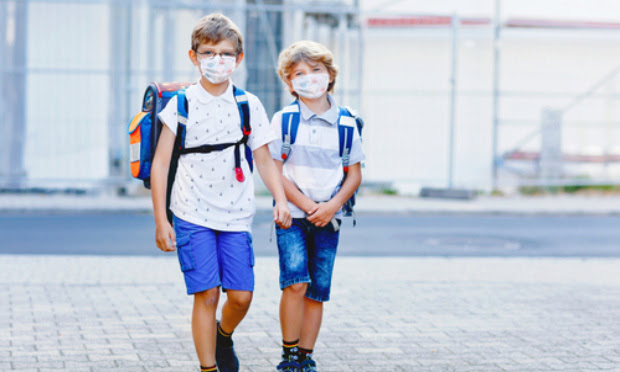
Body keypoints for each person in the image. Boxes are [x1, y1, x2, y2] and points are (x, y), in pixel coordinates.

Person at [150, 13, 291, 372]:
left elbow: (263, 157)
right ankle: (208, 367)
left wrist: (281, 198)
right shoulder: (179, 105)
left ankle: (222, 335)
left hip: (236, 215)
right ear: (193, 55)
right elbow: (161, 164)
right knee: (207, 294)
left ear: (238, 59)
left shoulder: (248, 105)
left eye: (226, 53)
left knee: (241, 297)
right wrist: (160, 221)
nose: (217, 60)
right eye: (208, 52)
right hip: (190, 213)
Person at [268, 41, 364, 372]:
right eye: (299, 74)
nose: (309, 78)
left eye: (316, 70)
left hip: (329, 219)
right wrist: (309, 206)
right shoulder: (284, 120)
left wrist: (332, 206)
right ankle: (289, 354)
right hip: (292, 216)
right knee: (295, 282)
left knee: (317, 291)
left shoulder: (348, 122)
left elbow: (354, 175)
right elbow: (275, 172)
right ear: (290, 82)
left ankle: (306, 356)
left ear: (330, 75)